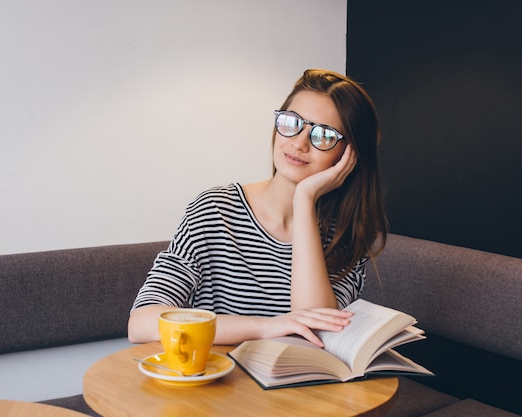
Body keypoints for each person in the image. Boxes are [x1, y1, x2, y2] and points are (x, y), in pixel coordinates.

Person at [128, 69, 388, 348]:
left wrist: (304, 199)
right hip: (216, 384)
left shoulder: (347, 236)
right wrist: (265, 327)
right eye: (292, 122)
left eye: (323, 136)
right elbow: (141, 323)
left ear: (348, 155)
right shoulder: (214, 210)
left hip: (296, 387)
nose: (299, 143)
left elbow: (319, 334)